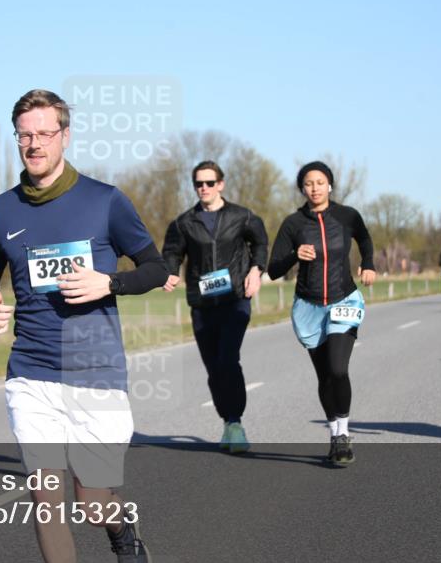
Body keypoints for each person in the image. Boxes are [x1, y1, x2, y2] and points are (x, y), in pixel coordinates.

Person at [0, 89, 166, 563]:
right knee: (46, 496)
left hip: (95, 370)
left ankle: (121, 527)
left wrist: (110, 284)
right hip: (30, 370)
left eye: (43, 134)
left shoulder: (105, 201)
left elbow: (156, 269)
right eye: (24, 135)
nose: (33, 145)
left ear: (65, 136)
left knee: (90, 499)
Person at [267, 161, 376, 466]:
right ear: (303, 189)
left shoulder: (347, 216)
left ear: (330, 185)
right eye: (308, 184)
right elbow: (273, 270)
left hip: (344, 299)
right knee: (325, 375)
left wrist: (369, 264)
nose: (314, 188)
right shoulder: (293, 224)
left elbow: (365, 239)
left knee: (338, 368)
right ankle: (333, 433)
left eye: (320, 182)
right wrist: (293, 255)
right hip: (308, 307)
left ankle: (343, 434)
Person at [161, 160, 268, 453]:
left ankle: (236, 422)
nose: (204, 188)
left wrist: (257, 270)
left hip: (236, 298)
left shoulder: (242, 216)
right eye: (199, 183)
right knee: (212, 367)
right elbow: (172, 252)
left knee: (227, 359)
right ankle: (227, 422)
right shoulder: (184, 223)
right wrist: (169, 271)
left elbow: (260, 243)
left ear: (221, 184)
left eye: (209, 183)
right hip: (202, 302)